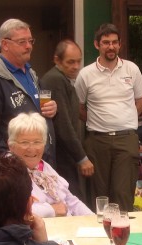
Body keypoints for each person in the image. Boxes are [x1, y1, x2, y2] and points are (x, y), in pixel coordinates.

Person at [75, 23, 142, 212]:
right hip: (97, 140)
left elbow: (141, 99)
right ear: (97, 45)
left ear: (119, 45)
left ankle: (122, 237)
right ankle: (100, 237)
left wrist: (127, 116)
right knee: (99, 196)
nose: (111, 46)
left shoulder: (132, 69)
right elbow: (79, 107)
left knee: (123, 193)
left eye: (115, 42)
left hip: (126, 139)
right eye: (106, 42)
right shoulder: (85, 74)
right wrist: (98, 119)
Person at [0, 18, 58, 165]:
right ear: (5, 44)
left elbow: (37, 110)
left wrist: (53, 109)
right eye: (22, 42)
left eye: (30, 41)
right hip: (16, 168)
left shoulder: (30, 73)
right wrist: (13, 161)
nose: (28, 46)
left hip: (42, 161)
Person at [8, 112, 93, 217]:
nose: (31, 149)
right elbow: (13, 210)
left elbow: (71, 201)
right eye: (24, 142)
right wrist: (52, 210)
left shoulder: (44, 167)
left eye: (37, 142)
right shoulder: (6, 172)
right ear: (11, 145)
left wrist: (93, 220)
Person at [39, 39, 93, 200]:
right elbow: (63, 125)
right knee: (71, 201)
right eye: (70, 62)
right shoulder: (55, 80)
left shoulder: (65, 80)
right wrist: (81, 157)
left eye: (78, 61)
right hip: (61, 158)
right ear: (57, 60)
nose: (76, 66)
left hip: (67, 156)